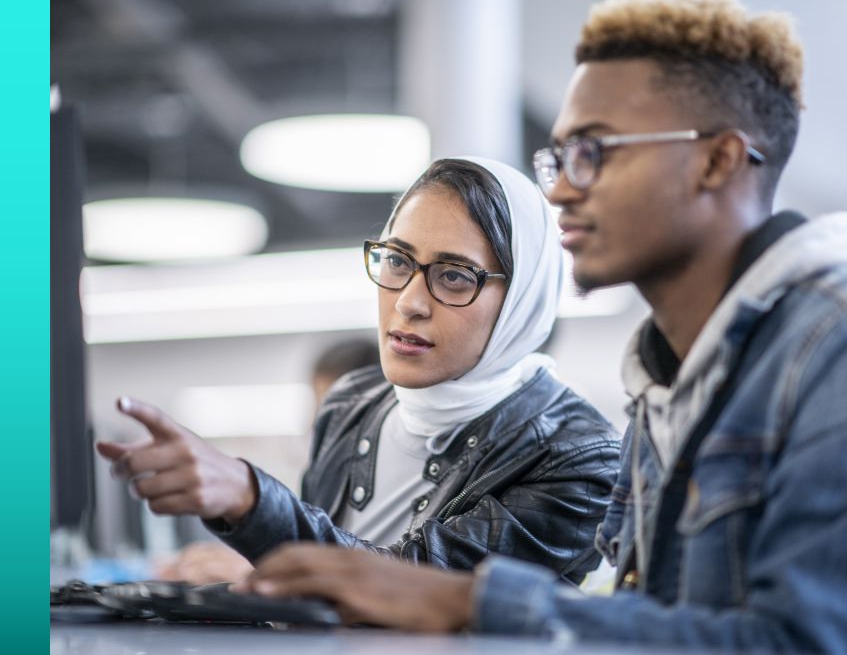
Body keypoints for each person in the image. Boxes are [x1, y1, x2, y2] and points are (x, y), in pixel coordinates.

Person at [235, 0, 847, 652]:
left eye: (596, 151)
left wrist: (467, 600)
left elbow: (802, 643)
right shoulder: (668, 375)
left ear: (718, 161)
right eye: (560, 155)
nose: (564, 190)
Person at [97, 157, 621, 582]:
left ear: (521, 300)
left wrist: (253, 502)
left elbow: (420, 587)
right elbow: (318, 606)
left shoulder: (580, 459)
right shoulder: (352, 402)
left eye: (455, 276)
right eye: (396, 261)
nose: (410, 302)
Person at [155, 338, 381, 585]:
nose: (317, 425)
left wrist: (258, 574)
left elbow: (367, 583)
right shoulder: (324, 481)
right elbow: (317, 553)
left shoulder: (390, 494)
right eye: (320, 411)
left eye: (336, 415)